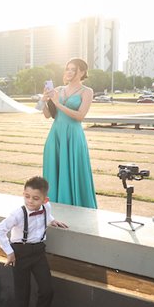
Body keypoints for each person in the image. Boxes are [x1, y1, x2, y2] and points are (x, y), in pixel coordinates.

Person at [0, 175, 69, 307]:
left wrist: (52, 221)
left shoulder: (46, 207)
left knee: (47, 289)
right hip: (20, 253)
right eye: (27, 196)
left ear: (44, 199)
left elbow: (47, 216)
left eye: (35, 198)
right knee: (23, 293)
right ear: (23, 194)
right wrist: (9, 252)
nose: (30, 201)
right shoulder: (18, 214)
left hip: (39, 252)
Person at [42, 58, 98, 208]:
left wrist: (58, 103)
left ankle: (76, 206)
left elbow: (80, 116)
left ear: (82, 72)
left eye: (73, 69)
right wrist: (44, 100)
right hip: (56, 135)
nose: (69, 72)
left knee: (74, 170)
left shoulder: (87, 91)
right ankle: (53, 208)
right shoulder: (58, 90)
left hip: (73, 136)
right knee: (54, 169)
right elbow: (48, 115)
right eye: (67, 69)